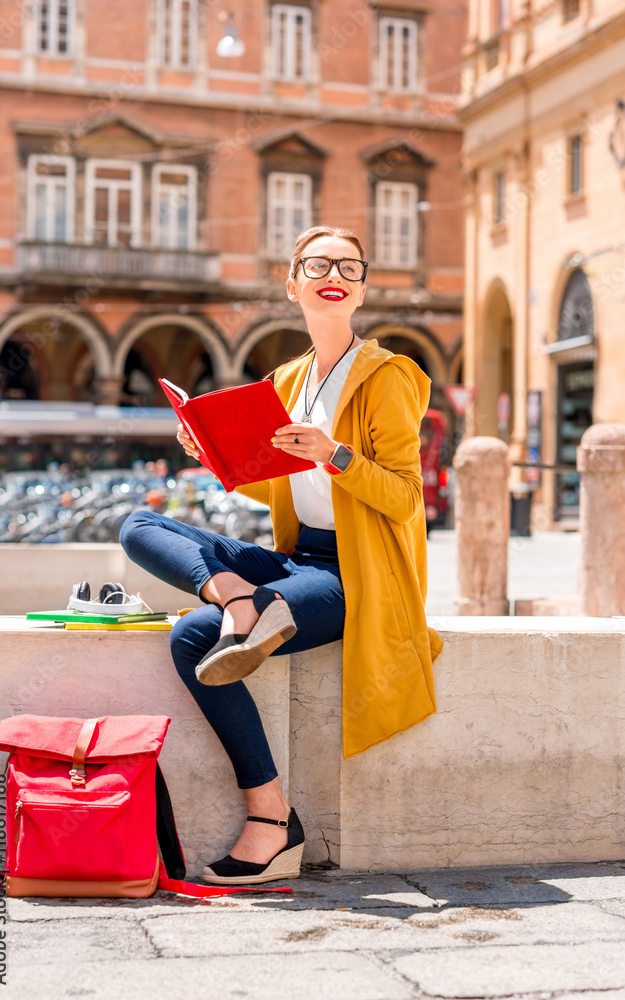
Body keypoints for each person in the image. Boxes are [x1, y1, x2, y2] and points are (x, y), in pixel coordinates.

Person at [120, 225, 443, 885]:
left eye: (349, 265)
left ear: (360, 286)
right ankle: (241, 599)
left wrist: (334, 454)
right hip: (294, 558)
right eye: (317, 263)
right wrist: (211, 454)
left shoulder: (390, 376)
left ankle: (269, 819)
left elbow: (406, 499)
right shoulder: (288, 379)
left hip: (357, 573)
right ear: (291, 282)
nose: (335, 272)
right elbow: (275, 484)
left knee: (193, 639)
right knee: (137, 524)